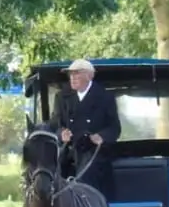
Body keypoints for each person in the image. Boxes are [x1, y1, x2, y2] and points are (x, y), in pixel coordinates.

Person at [48, 58, 121, 199]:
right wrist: (61, 133)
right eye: (71, 74)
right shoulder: (62, 97)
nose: (73, 78)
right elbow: (54, 123)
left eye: (77, 74)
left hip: (93, 152)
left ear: (90, 75)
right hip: (68, 151)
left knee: (90, 173)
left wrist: (101, 136)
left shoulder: (105, 97)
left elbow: (114, 128)